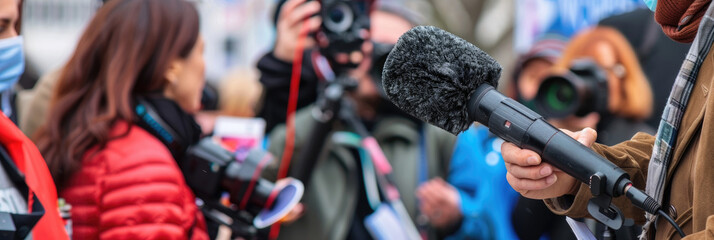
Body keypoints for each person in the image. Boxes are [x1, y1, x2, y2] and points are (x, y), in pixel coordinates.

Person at [502, 0, 714, 239]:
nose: (589, 82)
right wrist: (568, 165)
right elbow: (524, 225)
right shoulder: (706, 42)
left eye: (602, 69)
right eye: (579, 69)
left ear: (627, 76)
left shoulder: (638, 129)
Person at [258, 0, 463, 239]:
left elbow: (487, 220)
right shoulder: (301, 130)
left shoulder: (439, 137)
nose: (379, 59)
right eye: (368, 44)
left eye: (396, 53)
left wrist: (457, 216)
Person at [33, 0, 209, 239]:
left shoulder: (91, 134)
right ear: (172, 67)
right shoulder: (144, 166)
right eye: (200, 51)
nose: (204, 66)